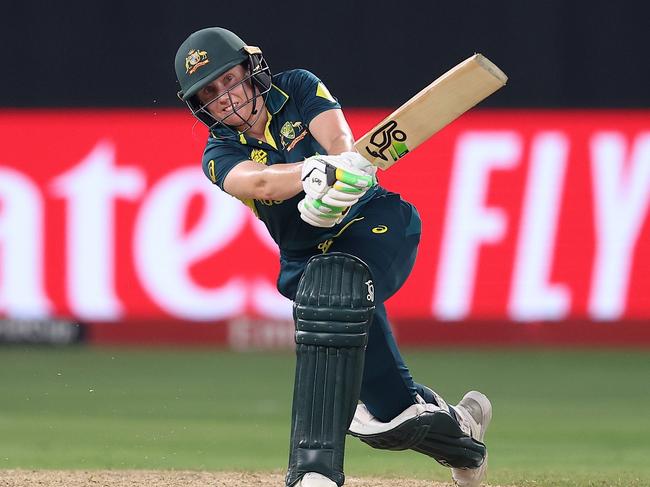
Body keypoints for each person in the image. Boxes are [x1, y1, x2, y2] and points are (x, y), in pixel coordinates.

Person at [174, 27, 492, 487]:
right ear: (200, 105)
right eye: (211, 92)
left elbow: (340, 140)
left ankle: (314, 472)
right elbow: (258, 183)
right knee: (391, 414)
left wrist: (341, 177)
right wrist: (309, 173)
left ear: (250, 69)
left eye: (229, 79)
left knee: (333, 287)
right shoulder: (218, 151)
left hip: (374, 224)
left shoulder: (297, 86)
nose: (226, 97)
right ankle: (463, 437)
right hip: (307, 258)